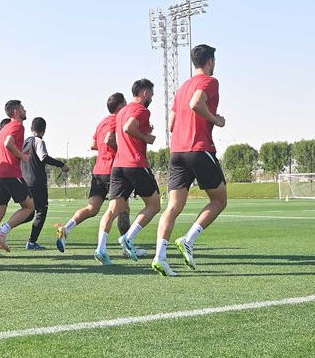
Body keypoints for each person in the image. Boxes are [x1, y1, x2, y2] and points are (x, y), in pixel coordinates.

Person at [152, 44, 227, 276]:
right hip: (198, 148)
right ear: (210, 61)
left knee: (173, 206)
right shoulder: (209, 82)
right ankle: (188, 240)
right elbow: (196, 104)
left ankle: (160, 257)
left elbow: (172, 124)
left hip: (177, 152)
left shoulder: (182, 87)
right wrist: (216, 120)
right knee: (219, 200)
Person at [54, 94, 134, 254]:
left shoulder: (102, 122)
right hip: (113, 170)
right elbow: (107, 140)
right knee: (123, 209)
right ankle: (127, 248)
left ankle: (66, 229)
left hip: (98, 170)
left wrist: (106, 149)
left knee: (91, 208)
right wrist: (123, 149)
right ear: (120, 105)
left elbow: (93, 144)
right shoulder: (117, 119)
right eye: (125, 103)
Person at [93, 79, 160, 266]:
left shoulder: (121, 112)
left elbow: (118, 133)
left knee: (113, 209)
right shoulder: (142, 110)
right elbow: (129, 127)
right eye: (152, 94)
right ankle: (128, 238)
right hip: (136, 164)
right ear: (145, 93)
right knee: (154, 204)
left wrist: (144, 131)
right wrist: (146, 137)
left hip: (118, 165)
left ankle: (101, 248)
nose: (152, 97)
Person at [0, 100, 34, 258]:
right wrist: (22, 156)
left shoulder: (4, 128)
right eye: (23, 108)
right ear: (17, 111)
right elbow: (8, 143)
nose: (25, 110)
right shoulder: (18, 125)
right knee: (29, 206)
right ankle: (3, 231)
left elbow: (2, 145)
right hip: (10, 173)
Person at [21, 117, 68, 250]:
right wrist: (61, 165)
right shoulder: (39, 141)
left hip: (25, 181)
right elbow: (44, 157)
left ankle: (4, 228)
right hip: (37, 182)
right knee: (41, 211)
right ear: (44, 130)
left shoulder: (25, 142)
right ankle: (31, 242)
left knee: (28, 213)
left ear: (31, 128)